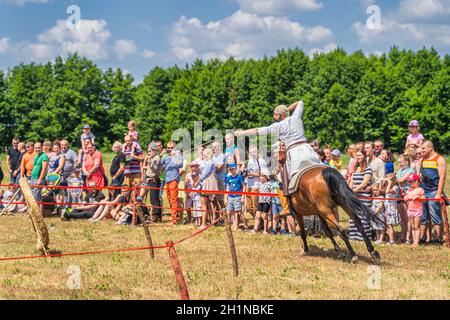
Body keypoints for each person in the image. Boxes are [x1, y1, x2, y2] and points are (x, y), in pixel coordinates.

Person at [235, 100, 320, 182]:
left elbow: (257, 130)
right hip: (307, 149)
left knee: (289, 180)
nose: (274, 117)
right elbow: (300, 102)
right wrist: (287, 110)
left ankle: (288, 195)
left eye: (276, 115)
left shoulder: (277, 126)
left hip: (293, 153)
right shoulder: (296, 117)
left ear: (282, 115)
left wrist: (242, 132)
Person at [419, 141, 447, 245]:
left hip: (434, 191)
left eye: (423, 148)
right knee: (423, 215)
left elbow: (442, 178)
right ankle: (422, 237)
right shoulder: (422, 160)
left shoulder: (440, 159)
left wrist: (438, 193)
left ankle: (437, 239)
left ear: (430, 148)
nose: (421, 150)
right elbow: (420, 176)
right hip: (423, 191)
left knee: (435, 216)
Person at [348, 149, 373, 241]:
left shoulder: (368, 169)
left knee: (363, 218)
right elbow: (352, 182)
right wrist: (349, 191)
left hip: (364, 197)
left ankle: (364, 237)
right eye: (357, 156)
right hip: (354, 197)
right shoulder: (355, 169)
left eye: (360, 155)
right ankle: (354, 236)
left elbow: (364, 184)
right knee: (353, 217)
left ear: (364, 157)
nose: (358, 157)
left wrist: (353, 191)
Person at [139, 142, 162, 222]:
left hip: (154, 180)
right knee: (153, 199)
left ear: (154, 151)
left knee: (154, 199)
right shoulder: (153, 158)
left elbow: (154, 168)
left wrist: (149, 162)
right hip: (149, 179)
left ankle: (155, 217)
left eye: (150, 151)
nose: (149, 153)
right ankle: (157, 216)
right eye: (148, 151)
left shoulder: (157, 158)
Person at [244, 145, 269, 219]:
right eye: (251, 152)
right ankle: (259, 222)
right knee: (249, 208)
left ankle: (259, 224)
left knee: (256, 207)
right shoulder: (249, 161)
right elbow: (247, 172)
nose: (252, 153)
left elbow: (266, 175)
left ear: (258, 152)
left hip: (256, 186)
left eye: (254, 152)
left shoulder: (262, 161)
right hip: (248, 185)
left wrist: (254, 174)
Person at [161, 146, 183, 225]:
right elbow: (160, 163)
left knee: (174, 199)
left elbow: (180, 165)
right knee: (169, 199)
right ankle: (175, 216)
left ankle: (175, 220)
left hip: (174, 179)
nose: (170, 149)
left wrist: (176, 156)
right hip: (167, 179)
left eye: (172, 147)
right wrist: (162, 155)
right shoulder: (166, 156)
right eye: (169, 148)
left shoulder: (178, 156)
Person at [198, 148, 218, 229]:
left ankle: (203, 223)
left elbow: (204, 175)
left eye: (204, 154)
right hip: (211, 182)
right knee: (210, 203)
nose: (203, 155)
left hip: (207, 183)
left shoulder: (209, 163)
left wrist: (198, 180)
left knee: (204, 203)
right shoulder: (211, 162)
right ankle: (212, 220)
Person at [404, 173, 426, 247]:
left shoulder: (420, 189)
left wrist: (418, 198)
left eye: (411, 181)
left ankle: (417, 241)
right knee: (413, 226)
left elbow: (424, 199)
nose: (409, 183)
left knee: (417, 226)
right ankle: (414, 241)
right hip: (410, 210)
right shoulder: (409, 190)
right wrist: (405, 197)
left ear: (417, 181)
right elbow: (406, 196)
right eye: (409, 182)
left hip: (417, 210)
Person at [251, 169, 273, 234]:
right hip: (260, 202)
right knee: (257, 216)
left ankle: (265, 230)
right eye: (260, 176)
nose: (261, 177)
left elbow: (272, 192)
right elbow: (255, 189)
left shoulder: (269, 184)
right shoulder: (259, 184)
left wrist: (270, 198)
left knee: (265, 217)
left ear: (266, 177)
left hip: (267, 202)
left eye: (262, 176)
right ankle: (255, 229)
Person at [225, 163, 245, 231]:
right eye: (230, 169)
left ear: (235, 169)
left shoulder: (239, 177)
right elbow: (227, 187)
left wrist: (243, 196)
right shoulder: (229, 177)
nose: (231, 170)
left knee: (237, 211)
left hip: (237, 196)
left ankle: (237, 225)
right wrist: (226, 197)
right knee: (230, 211)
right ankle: (233, 224)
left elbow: (244, 186)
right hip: (230, 197)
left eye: (232, 169)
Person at [30, 142, 49, 211]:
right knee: (35, 196)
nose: (37, 149)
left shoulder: (44, 156)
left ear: (41, 148)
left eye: (39, 147)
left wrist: (40, 179)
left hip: (38, 179)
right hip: (33, 178)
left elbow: (44, 168)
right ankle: (37, 212)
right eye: (36, 148)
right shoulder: (36, 156)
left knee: (37, 197)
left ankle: (38, 213)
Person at [384, 174, 402, 245]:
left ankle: (392, 241)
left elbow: (387, 191)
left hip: (391, 209)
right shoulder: (390, 186)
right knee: (388, 225)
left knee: (390, 225)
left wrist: (390, 182)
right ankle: (392, 239)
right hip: (388, 209)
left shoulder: (395, 187)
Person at [212, 141, 227, 222]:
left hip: (219, 180)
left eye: (215, 146)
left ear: (219, 148)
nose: (213, 148)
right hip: (213, 180)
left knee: (221, 200)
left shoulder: (222, 156)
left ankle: (225, 218)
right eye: (212, 146)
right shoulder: (212, 157)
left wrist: (211, 168)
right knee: (213, 200)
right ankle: (217, 218)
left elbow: (219, 168)